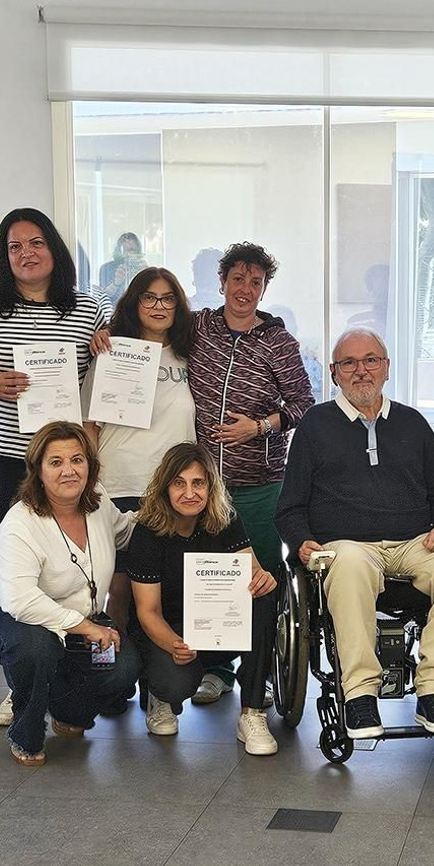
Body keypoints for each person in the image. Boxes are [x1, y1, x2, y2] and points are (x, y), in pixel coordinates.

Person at [98, 242, 315, 706]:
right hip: (194, 488)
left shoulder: (279, 341)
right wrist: (106, 332)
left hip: (257, 481)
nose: (245, 289)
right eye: (237, 279)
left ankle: (261, 671)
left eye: (255, 282)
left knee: (260, 578)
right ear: (221, 283)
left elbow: (303, 405)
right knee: (202, 580)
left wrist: (258, 426)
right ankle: (214, 670)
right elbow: (148, 322)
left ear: (264, 288)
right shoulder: (199, 326)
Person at [277, 328, 434, 738]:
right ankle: (359, 694)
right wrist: (301, 542)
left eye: (371, 360)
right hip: (347, 545)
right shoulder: (315, 425)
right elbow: (290, 506)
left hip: (414, 543)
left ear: (386, 368)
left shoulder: (413, 423)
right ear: (334, 373)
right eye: (349, 363)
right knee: (349, 561)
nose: (361, 371)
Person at [0, 422, 139, 765]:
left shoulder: (99, 502)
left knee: (125, 666)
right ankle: (25, 734)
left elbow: (126, 532)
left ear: (90, 465)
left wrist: (169, 510)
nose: (69, 470)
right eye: (56, 462)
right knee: (36, 646)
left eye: (77, 459)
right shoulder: (21, 521)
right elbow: (20, 601)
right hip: (1, 616)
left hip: (73, 622)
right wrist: (87, 627)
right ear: (38, 471)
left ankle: (66, 711)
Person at [0, 207, 110, 533]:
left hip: (68, 457)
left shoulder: (88, 309)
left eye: (36, 243)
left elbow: (105, 374)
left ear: (54, 248)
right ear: (4, 256)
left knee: (71, 548)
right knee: (12, 551)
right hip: (7, 456)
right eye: (15, 247)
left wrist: (107, 339)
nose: (26, 252)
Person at [129, 443, 282, 752]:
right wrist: (174, 644)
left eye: (198, 483)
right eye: (179, 483)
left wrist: (262, 577)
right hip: (168, 630)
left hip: (215, 628)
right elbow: (148, 611)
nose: (190, 493)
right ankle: (159, 695)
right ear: (165, 488)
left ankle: (251, 712)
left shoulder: (224, 518)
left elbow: (251, 570)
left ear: (210, 486)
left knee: (263, 595)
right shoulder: (147, 532)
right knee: (175, 684)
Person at [90, 267, 199, 630]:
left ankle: (159, 682)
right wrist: (91, 484)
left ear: (178, 306)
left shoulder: (190, 355)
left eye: (168, 298)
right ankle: (117, 678)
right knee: (119, 589)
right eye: (149, 297)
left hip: (172, 491)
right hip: (120, 484)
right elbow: (90, 426)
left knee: (164, 592)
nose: (158, 306)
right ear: (135, 302)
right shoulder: (111, 351)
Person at [96, 231, 143, 305]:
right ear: (118, 251)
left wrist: (145, 275)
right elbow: (102, 297)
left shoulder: (142, 268)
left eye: (132, 251)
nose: (128, 255)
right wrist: (116, 283)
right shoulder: (106, 268)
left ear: (138, 253)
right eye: (124, 251)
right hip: (112, 311)